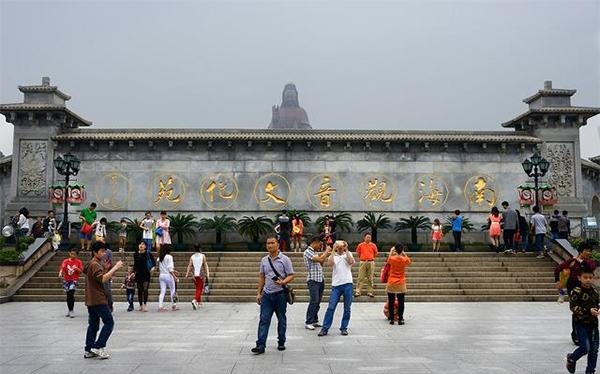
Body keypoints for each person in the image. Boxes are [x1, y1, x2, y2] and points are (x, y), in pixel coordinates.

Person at [251, 235, 294, 354]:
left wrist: (283, 282)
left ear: (278, 244)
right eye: (268, 243)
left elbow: (291, 274)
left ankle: (281, 341)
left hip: (280, 294)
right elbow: (262, 277)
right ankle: (260, 345)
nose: (269, 245)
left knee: (281, 319)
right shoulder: (264, 260)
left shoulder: (285, 259)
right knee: (264, 319)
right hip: (267, 295)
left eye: (272, 243)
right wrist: (258, 293)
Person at [83, 241, 123, 359]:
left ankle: (89, 349)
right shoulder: (95, 264)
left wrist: (105, 269)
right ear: (95, 252)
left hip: (91, 299)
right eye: (101, 251)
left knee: (93, 325)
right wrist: (115, 268)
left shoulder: (92, 263)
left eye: (104, 251)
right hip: (98, 298)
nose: (104, 253)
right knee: (109, 322)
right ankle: (98, 346)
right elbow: (103, 279)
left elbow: (94, 276)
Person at [555, 240, 597, 346]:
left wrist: (582, 262)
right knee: (576, 311)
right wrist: (557, 281)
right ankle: (576, 335)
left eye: (590, 251)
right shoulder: (572, 261)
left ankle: (587, 333)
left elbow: (591, 268)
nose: (589, 253)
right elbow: (557, 269)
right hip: (574, 290)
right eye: (587, 250)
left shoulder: (589, 262)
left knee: (587, 310)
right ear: (580, 251)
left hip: (587, 290)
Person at [566, 262, 599, 374]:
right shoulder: (576, 291)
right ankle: (572, 358)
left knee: (594, 350)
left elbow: (597, 304)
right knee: (585, 347)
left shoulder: (594, 291)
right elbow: (573, 307)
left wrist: (597, 310)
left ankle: (590, 371)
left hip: (593, 324)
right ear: (579, 278)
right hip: (581, 324)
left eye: (590, 277)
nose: (588, 280)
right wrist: (588, 311)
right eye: (585, 277)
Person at [318, 240, 355, 337]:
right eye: (338, 246)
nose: (340, 248)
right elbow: (330, 263)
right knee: (331, 307)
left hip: (348, 283)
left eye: (342, 246)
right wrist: (333, 249)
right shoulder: (333, 256)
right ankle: (325, 328)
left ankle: (344, 328)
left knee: (347, 308)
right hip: (336, 285)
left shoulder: (348, 254)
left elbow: (351, 261)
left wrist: (346, 249)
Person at [303, 236, 331, 330]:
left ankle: (314, 320)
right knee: (314, 300)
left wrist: (323, 255)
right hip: (313, 280)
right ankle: (309, 321)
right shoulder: (308, 252)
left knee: (318, 301)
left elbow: (321, 262)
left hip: (320, 279)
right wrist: (326, 251)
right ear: (314, 242)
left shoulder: (315, 252)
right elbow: (319, 260)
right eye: (319, 244)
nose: (320, 246)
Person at [385, 243, 412, 325]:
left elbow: (388, 260)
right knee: (401, 301)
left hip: (392, 281)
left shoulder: (392, 258)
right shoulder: (404, 259)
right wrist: (404, 253)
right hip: (401, 281)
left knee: (391, 300)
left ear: (395, 250)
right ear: (402, 250)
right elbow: (409, 262)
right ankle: (400, 319)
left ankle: (392, 319)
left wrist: (391, 251)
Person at [58, 247, 83, 318]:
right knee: (68, 295)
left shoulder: (78, 262)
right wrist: (60, 273)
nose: (73, 256)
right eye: (71, 254)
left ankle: (71, 310)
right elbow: (62, 268)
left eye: (74, 254)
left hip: (74, 280)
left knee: (71, 294)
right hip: (66, 280)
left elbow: (81, 271)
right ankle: (69, 309)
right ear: (69, 253)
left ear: (77, 255)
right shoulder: (65, 261)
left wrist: (76, 268)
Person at [185, 244, 209, 310]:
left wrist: (187, 274)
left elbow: (189, 266)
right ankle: (195, 300)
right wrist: (207, 274)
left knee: (198, 288)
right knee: (200, 289)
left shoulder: (192, 256)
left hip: (194, 275)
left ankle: (199, 301)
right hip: (200, 275)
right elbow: (205, 265)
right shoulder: (203, 256)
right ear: (200, 248)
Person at [354, 232, 378, 298]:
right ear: (364, 238)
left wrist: (370, 258)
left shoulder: (373, 245)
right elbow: (358, 253)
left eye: (370, 237)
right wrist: (363, 258)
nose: (368, 238)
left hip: (371, 262)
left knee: (370, 278)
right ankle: (358, 291)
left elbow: (375, 253)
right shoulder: (360, 245)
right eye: (367, 237)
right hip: (363, 262)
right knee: (360, 277)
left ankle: (370, 292)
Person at [133, 241, 154, 312]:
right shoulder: (135, 254)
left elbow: (153, 263)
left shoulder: (148, 253)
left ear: (145, 246)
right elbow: (135, 264)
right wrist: (133, 272)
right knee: (139, 290)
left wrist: (152, 268)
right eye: (140, 244)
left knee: (145, 289)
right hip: (138, 274)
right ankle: (140, 305)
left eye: (143, 244)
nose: (141, 245)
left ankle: (145, 304)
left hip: (146, 273)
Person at [157, 245, 178, 311]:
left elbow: (159, 268)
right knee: (172, 290)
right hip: (168, 275)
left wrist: (173, 271)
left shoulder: (159, 257)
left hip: (161, 275)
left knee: (162, 291)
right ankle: (174, 305)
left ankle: (160, 306)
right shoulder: (169, 257)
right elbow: (169, 268)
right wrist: (175, 277)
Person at [101, 245, 114, 312]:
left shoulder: (108, 252)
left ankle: (110, 304)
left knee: (107, 290)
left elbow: (110, 263)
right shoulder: (95, 251)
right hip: (98, 273)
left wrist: (109, 273)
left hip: (106, 274)